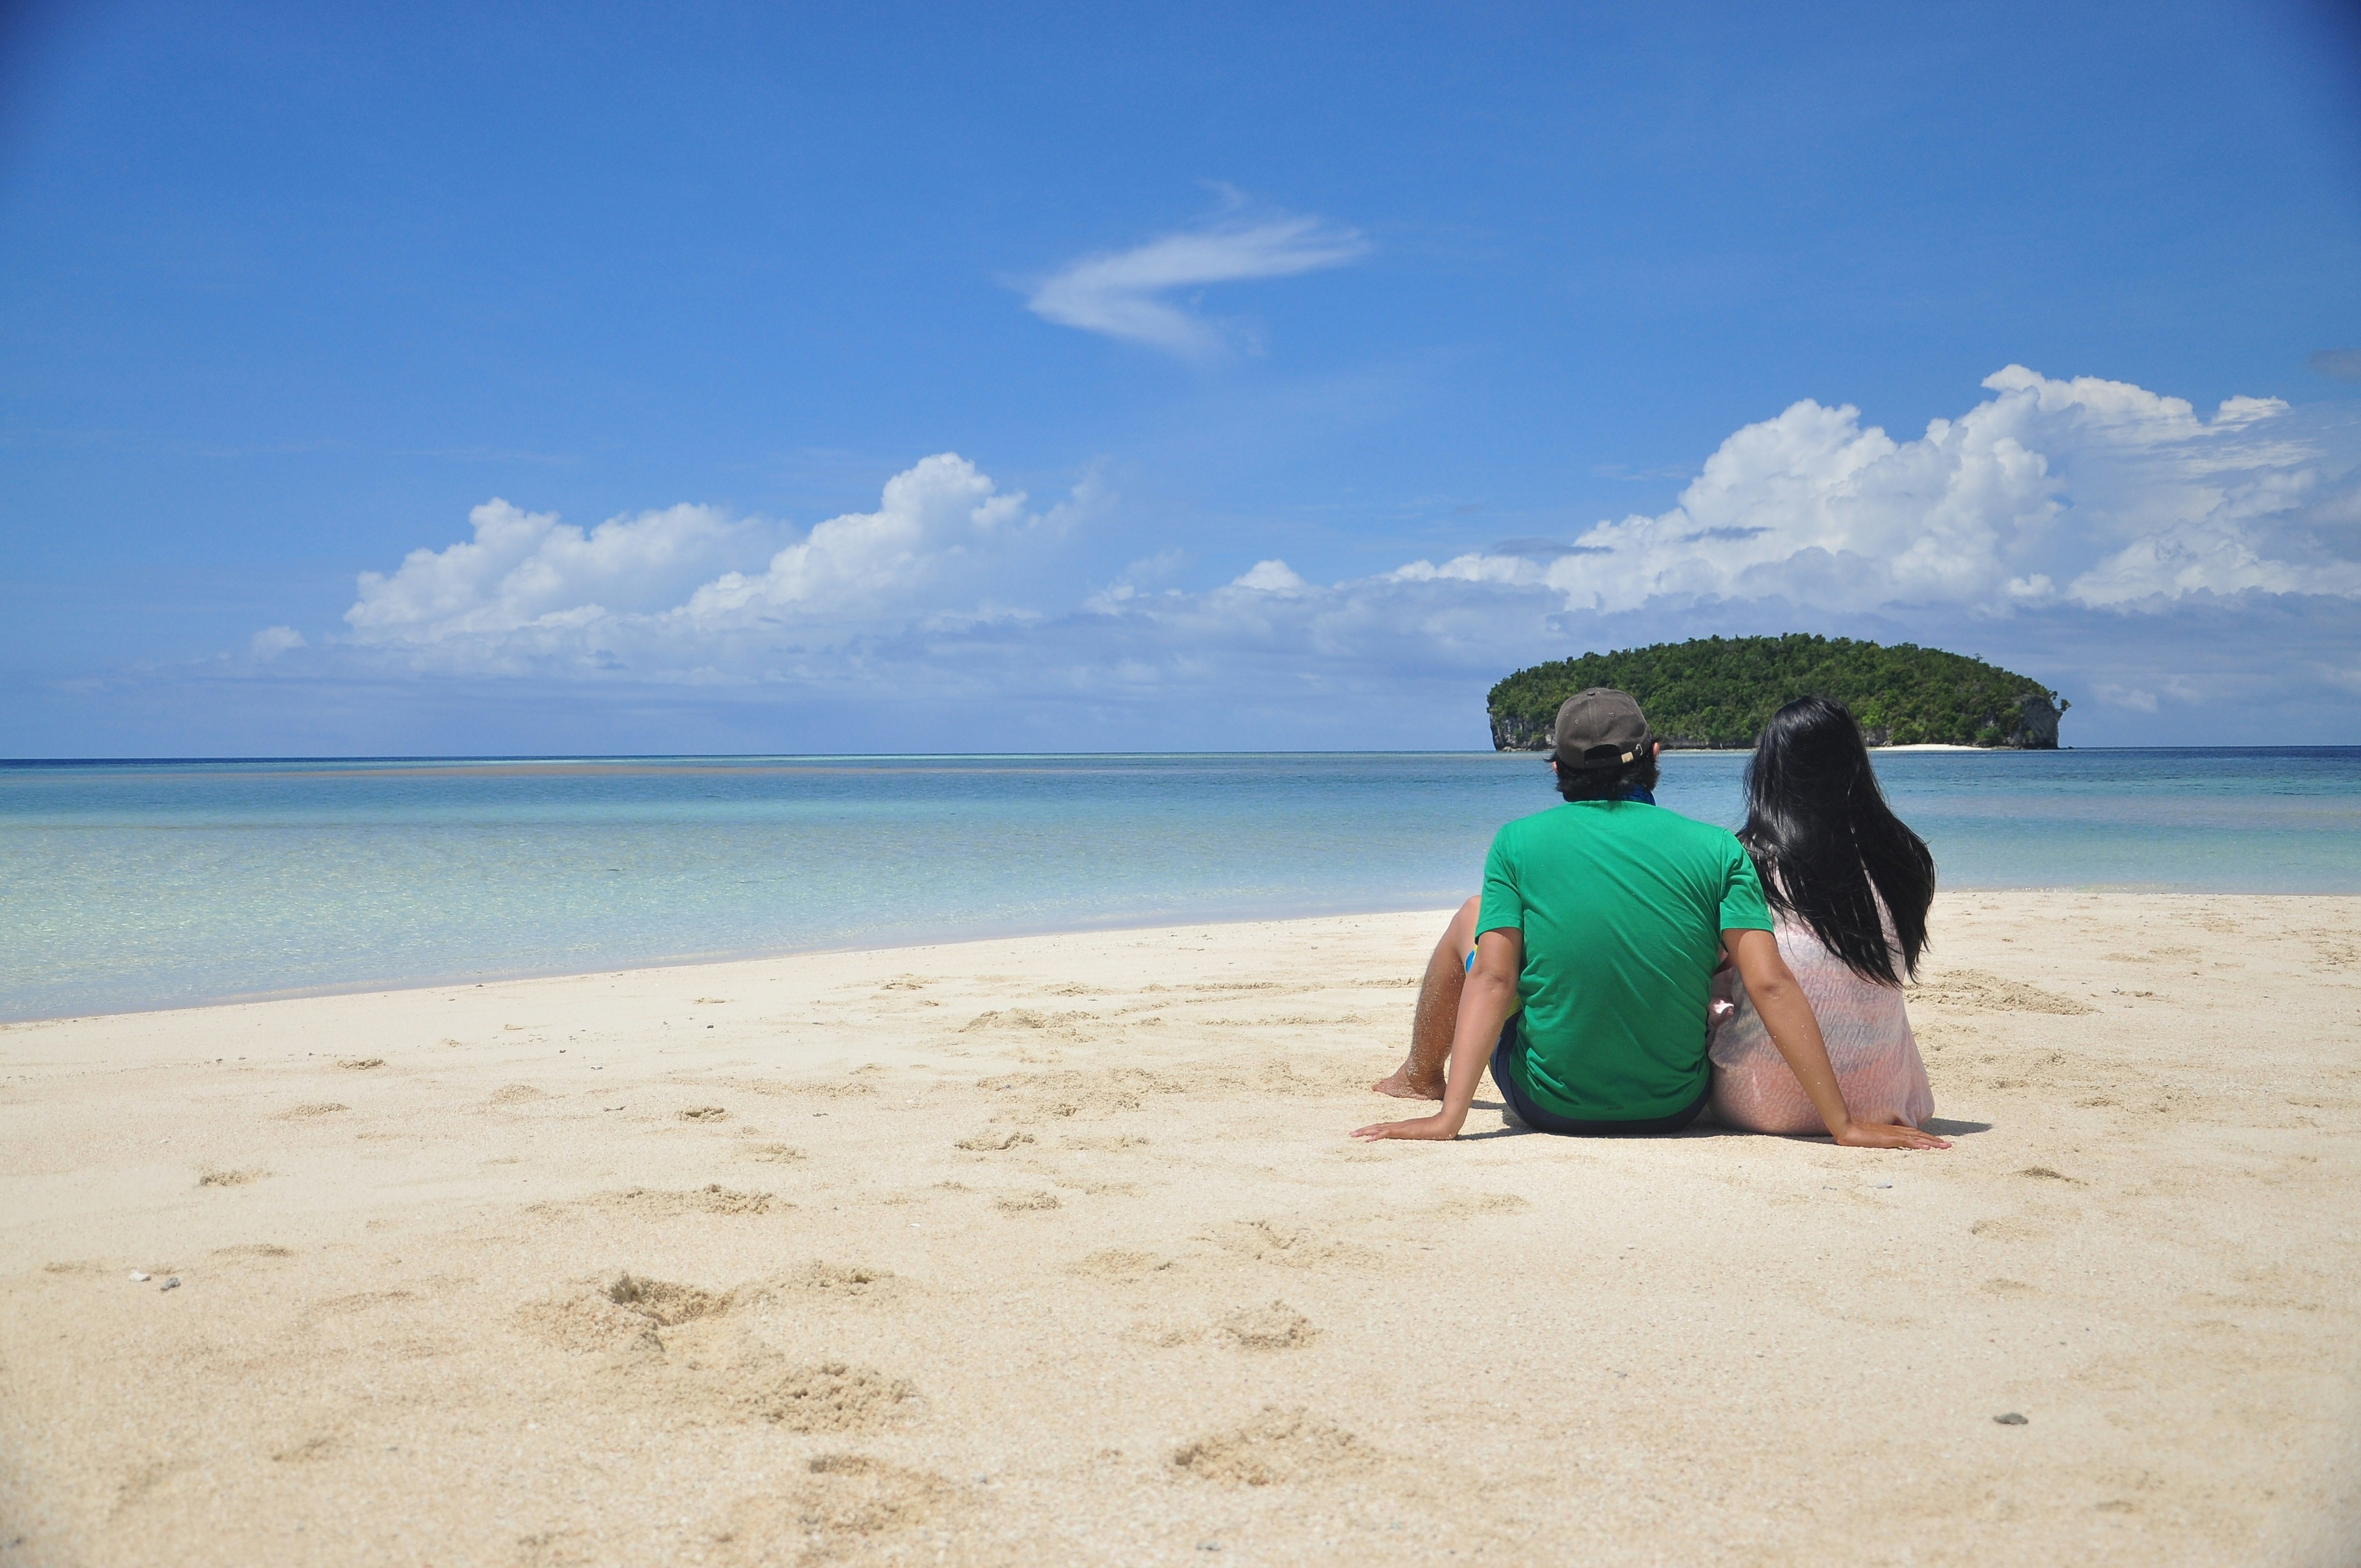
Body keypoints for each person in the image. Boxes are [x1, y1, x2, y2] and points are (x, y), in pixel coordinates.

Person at [1356, 687, 1946, 1150]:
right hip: (1674, 1104)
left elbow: (1492, 980)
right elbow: (1769, 983)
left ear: (1557, 770)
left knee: (1475, 920)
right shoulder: (1717, 849)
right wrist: (1840, 1123)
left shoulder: (1515, 842)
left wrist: (1450, 1119)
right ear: (1655, 758)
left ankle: (1423, 1074)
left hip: (1550, 1106)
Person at [1707, 694, 1937, 1133]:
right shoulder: (1905, 857)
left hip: (1757, 1101)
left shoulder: (1745, 858)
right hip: (1884, 1099)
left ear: (1769, 768)